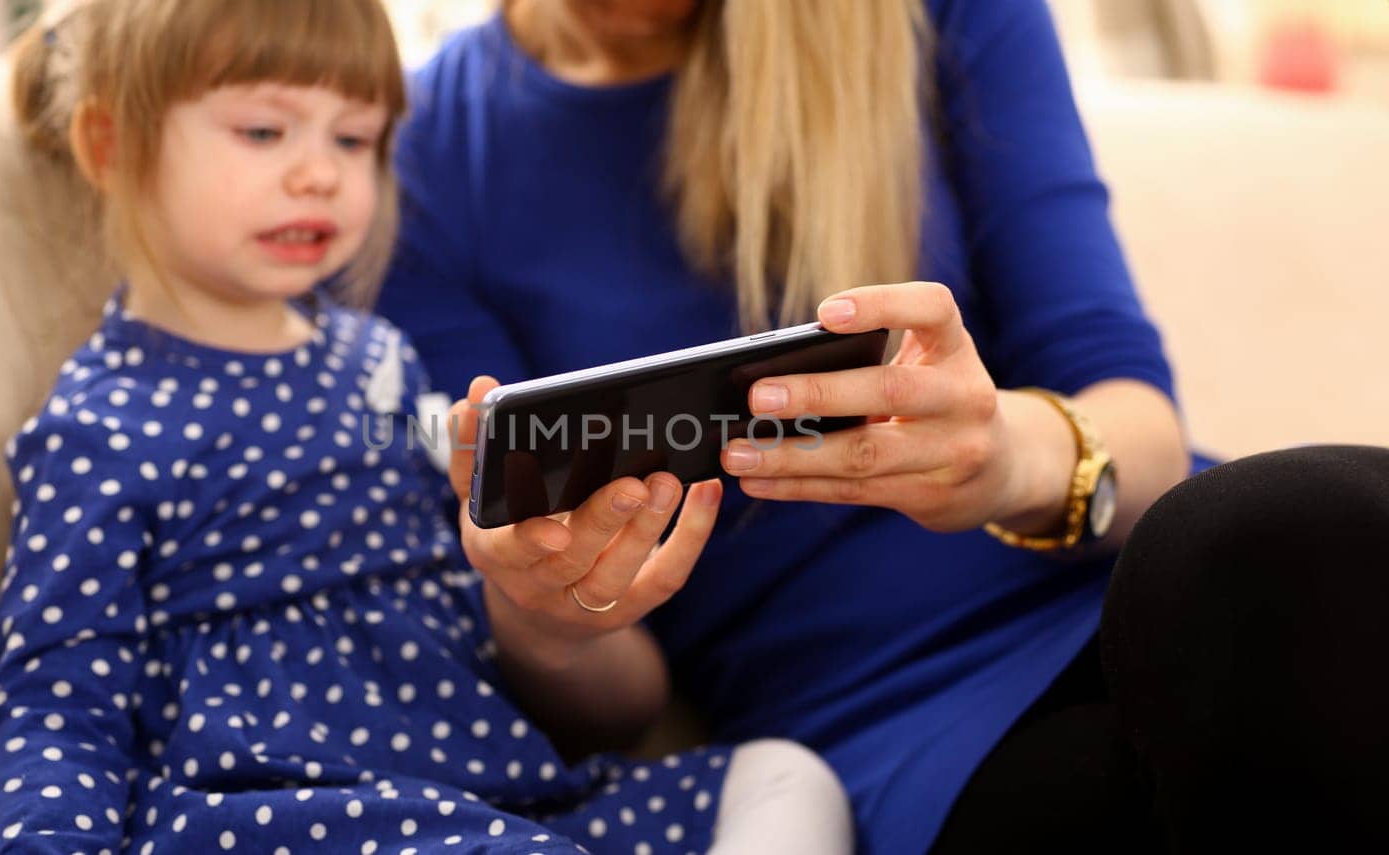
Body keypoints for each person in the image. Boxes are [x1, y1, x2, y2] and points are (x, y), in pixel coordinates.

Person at [375, 0, 1383, 852]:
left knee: (1287, 530)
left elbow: (1145, 439)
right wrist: (546, 613)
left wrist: (1000, 464)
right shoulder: (414, 162)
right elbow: (619, 701)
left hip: (1158, 587)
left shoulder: (935, 16)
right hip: (890, 730)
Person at [0, 1, 853, 852]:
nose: (320, 173)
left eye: (354, 138)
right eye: (263, 132)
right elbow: (58, 703)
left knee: (784, 775)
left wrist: (529, 534)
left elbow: (465, 570)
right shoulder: (100, 426)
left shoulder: (382, 358)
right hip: (287, 805)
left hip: (491, 785)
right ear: (112, 146)